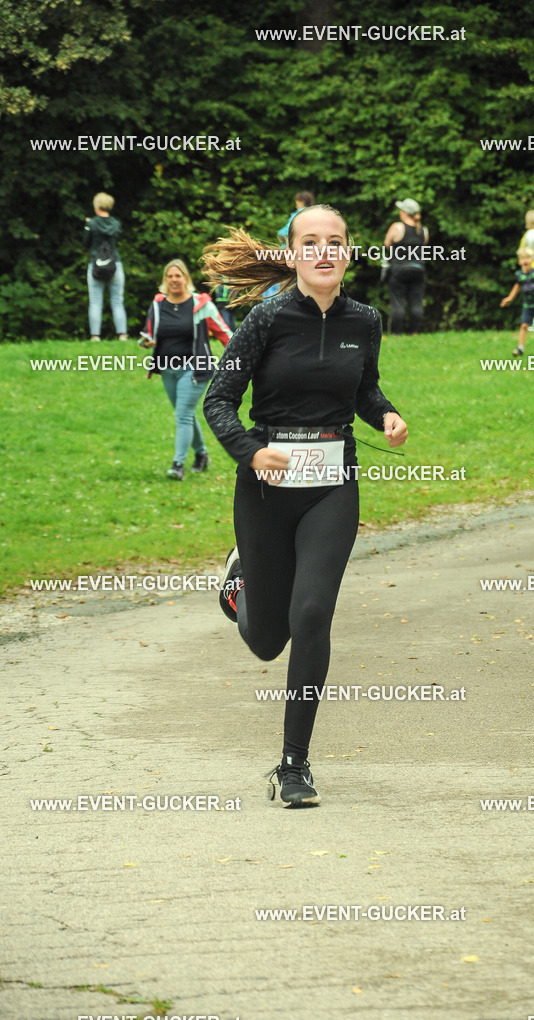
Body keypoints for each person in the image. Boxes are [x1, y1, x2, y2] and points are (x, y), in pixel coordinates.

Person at [201, 205, 408, 808]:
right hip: (267, 489)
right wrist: (250, 451)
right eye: (310, 243)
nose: (323, 251)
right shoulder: (267, 319)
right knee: (267, 639)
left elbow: (363, 386)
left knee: (312, 615)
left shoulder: (364, 320)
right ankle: (239, 587)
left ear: (349, 252)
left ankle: (293, 765)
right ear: (292, 255)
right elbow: (219, 400)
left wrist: (385, 414)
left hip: (331, 483)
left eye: (335, 242)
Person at [139, 259, 231, 480]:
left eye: (178, 276)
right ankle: (202, 455)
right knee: (186, 415)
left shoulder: (201, 304)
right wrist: (146, 342)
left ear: (186, 279)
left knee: (182, 415)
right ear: (165, 280)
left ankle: (177, 465)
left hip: (194, 368)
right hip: (167, 369)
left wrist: (241, 359)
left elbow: (224, 333)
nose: (174, 280)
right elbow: (146, 335)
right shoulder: (158, 305)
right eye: (170, 276)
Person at [83, 192, 128, 341]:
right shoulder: (116, 224)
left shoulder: (92, 224)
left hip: (95, 265)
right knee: (117, 301)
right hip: (115, 264)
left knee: (95, 301)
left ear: (97, 206)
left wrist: (87, 226)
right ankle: (122, 335)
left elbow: (86, 244)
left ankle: (95, 336)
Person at [383, 199, 429, 334]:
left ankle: (396, 333)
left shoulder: (397, 227)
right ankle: (414, 332)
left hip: (399, 268)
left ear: (404, 213)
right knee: (416, 301)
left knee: (397, 301)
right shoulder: (423, 230)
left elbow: (387, 243)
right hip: (418, 268)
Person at [500, 246, 534, 356]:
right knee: (524, 325)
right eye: (522, 258)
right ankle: (520, 348)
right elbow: (517, 286)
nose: (525, 260)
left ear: (532, 259)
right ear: (519, 261)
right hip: (528, 305)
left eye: (528, 257)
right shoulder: (519, 275)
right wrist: (510, 298)